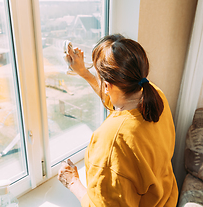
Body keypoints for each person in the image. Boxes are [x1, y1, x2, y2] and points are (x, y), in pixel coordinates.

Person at [58, 34, 178, 206]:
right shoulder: (155, 96)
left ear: (107, 85)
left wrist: (72, 182)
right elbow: (119, 100)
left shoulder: (112, 140)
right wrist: (85, 73)